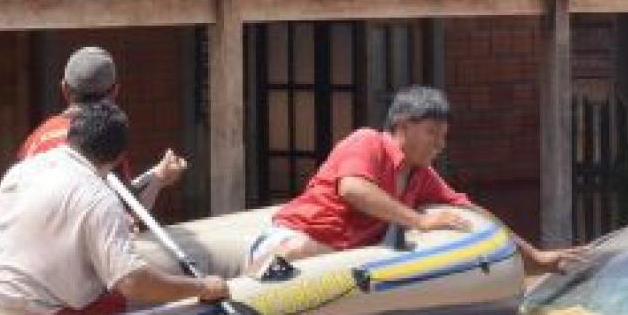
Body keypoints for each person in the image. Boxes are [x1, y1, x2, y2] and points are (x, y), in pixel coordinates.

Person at [245, 85, 586, 277]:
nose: (440, 143)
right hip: (294, 240)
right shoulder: (366, 142)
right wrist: (420, 221)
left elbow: (472, 211)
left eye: (444, 136)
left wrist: (535, 256)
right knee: (298, 250)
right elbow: (353, 189)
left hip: (341, 262)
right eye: (432, 133)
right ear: (403, 127)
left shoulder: (421, 176)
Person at [0, 101, 229, 315]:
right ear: (117, 158)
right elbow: (133, 283)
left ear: (71, 136)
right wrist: (202, 287)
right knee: (145, 303)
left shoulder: (21, 170)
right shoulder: (99, 199)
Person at [19, 45, 186, 210]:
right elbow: (124, 212)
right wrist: (159, 178)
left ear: (64, 89)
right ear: (115, 91)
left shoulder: (36, 137)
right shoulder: (103, 137)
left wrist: (157, 175)